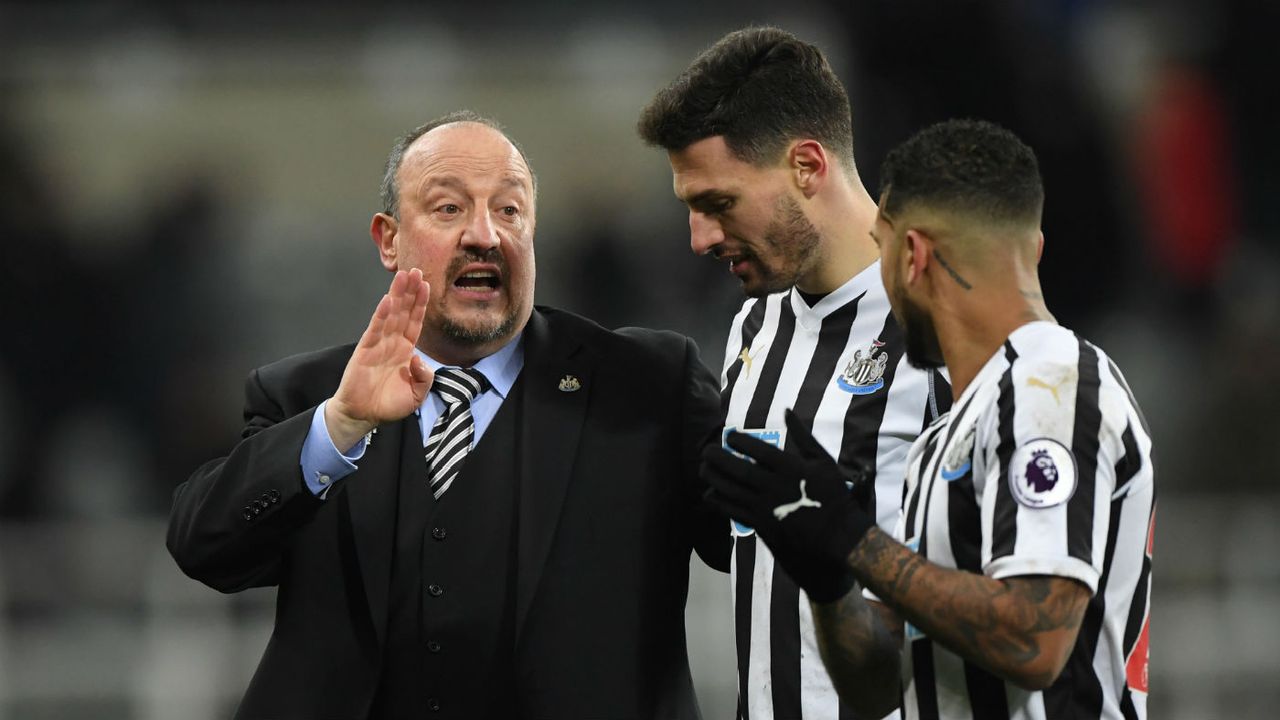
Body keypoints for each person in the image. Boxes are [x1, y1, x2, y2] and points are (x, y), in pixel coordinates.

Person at [166, 111, 728, 720]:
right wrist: (340, 427)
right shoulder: (307, 395)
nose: (484, 234)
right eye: (448, 209)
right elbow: (204, 549)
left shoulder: (646, 382)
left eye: (509, 210)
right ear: (389, 240)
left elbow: (759, 536)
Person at [703, 119, 1156, 719]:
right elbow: (877, 691)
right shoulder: (946, 437)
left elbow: (1035, 641)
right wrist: (828, 579)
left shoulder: (1052, 385)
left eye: (881, 251)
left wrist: (852, 539)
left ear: (912, 255)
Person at [638, 27, 949, 719]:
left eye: (718, 203)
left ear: (807, 165)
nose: (700, 239)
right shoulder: (756, 324)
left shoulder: (947, 325)